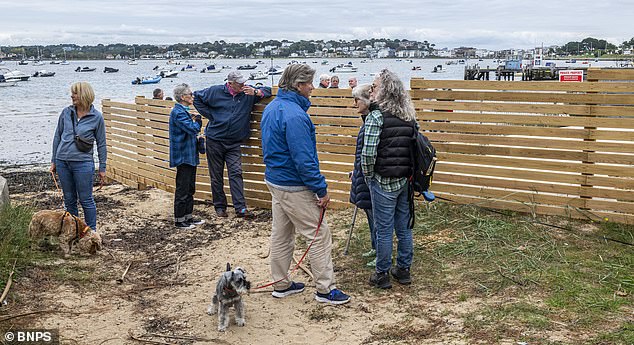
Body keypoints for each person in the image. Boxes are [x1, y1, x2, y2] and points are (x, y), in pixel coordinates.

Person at [261, 63, 351, 305]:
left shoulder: (273, 108)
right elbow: (304, 159)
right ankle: (325, 289)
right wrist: (320, 189)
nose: (312, 87)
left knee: (281, 234)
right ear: (299, 86)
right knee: (319, 234)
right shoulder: (295, 116)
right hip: (293, 184)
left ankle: (281, 284)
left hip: (275, 180)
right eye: (309, 83)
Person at [362, 69, 418, 289]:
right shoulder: (409, 115)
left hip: (383, 180)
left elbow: (368, 154)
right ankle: (403, 270)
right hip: (405, 179)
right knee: (404, 227)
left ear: (384, 90)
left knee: (383, 229)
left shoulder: (376, 116)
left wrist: (368, 176)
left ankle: (382, 273)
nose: (371, 90)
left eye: (374, 87)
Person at [193, 71, 271, 218]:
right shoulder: (215, 91)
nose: (243, 85)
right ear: (230, 83)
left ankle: (240, 208)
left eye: (244, 82)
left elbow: (269, 91)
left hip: (234, 142)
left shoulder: (248, 93)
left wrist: (256, 91)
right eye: (240, 83)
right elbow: (196, 97)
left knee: (236, 173)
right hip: (214, 140)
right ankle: (220, 207)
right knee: (216, 175)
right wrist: (211, 115)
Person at [50, 81, 106, 232]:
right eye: (72, 93)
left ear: (84, 95)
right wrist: (54, 160)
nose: (72, 96)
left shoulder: (97, 117)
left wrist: (102, 167)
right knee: (69, 201)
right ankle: (74, 232)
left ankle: (91, 232)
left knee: (86, 199)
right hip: (62, 162)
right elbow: (57, 137)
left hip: (83, 163)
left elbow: (101, 144)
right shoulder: (65, 113)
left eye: (75, 93)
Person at [169, 83, 205, 229]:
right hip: (183, 156)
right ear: (183, 97)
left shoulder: (184, 111)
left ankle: (188, 217)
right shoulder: (178, 112)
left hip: (190, 155)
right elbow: (192, 129)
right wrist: (198, 122)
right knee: (182, 189)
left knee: (190, 188)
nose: (192, 96)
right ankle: (179, 220)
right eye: (190, 94)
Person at [349, 84, 376, 267]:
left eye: (357, 99)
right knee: (369, 212)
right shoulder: (366, 120)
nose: (354, 104)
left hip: (370, 177)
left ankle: (382, 251)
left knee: (376, 216)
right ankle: (375, 246)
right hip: (363, 175)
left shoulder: (373, 121)